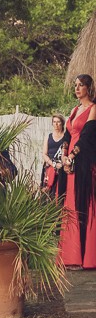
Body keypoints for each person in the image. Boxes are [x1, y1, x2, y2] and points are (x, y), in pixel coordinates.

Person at [65, 75, 96, 269]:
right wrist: (63, 156)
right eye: (75, 85)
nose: (77, 89)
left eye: (80, 85)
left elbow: (85, 138)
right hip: (69, 163)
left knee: (86, 203)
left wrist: (72, 156)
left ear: (89, 88)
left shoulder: (93, 109)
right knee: (70, 204)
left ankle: (89, 256)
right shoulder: (74, 110)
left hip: (84, 161)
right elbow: (68, 135)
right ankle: (71, 255)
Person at [47, 115, 70, 201]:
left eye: (58, 122)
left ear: (62, 123)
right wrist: (53, 164)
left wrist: (61, 164)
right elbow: (44, 154)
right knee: (47, 195)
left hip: (62, 168)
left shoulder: (66, 137)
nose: (56, 124)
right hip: (49, 168)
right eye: (54, 122)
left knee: (60, 195)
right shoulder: (48, 137)